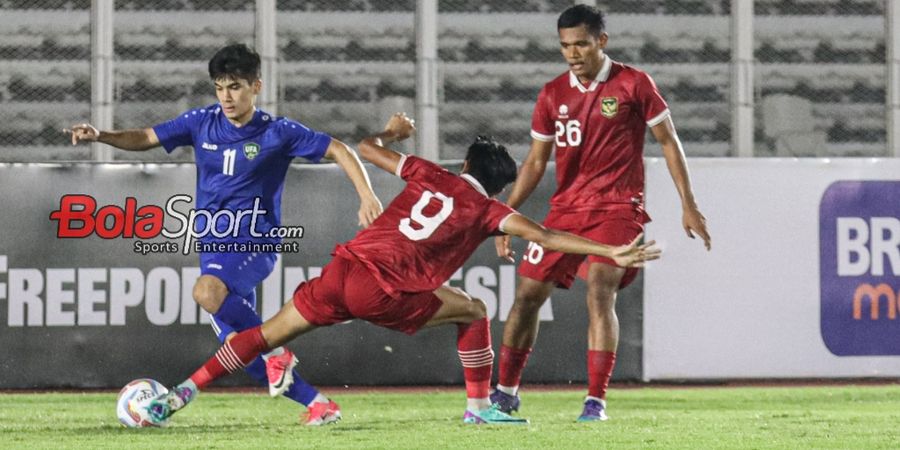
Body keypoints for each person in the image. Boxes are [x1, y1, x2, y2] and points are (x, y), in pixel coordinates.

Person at [143, 113, 660, 426]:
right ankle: (481, 409)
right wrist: (608, 251)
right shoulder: (489, 210)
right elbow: (545, 237)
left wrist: (389, 132)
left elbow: (367, 150)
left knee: (262, 336)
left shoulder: (429, 172)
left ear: (463, 167)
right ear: (499, 187)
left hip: (343, 270)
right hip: (383, 290)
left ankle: (180, 393)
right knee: (475, 310)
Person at [65, 44, 383, 425]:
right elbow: (145, 137)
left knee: (206, 292)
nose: (227, 96)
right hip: (213, 245)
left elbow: (340, 149)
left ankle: (277, 352)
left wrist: (367, 194)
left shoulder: (278, 132)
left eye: (235, 86)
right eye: (219, 87)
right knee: (239, 347)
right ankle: (319, 405)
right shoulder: (201, 122)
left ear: (256, 86)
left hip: (255, 242)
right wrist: (101, 135)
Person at [490, 4, 712, 422]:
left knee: (599, 291)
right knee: (526, 297)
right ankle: (505, 393)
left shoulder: (634, 83)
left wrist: (689, 204)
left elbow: (668, 141)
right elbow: (537, 163)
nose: (572, 54)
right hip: (565, 211)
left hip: (617, 208)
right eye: (565, 46)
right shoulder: (553, 93)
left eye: (581, 44)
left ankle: (595, 401)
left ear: (601, 42)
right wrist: (505, 213)